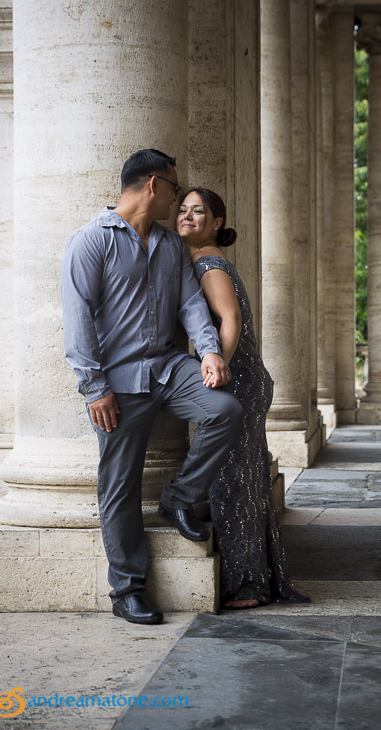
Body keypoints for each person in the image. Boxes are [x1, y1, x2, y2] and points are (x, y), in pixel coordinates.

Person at [61, 150, 244, 625]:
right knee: (118, 485)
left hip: (168, 368)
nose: (179, 198)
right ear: (152, 184)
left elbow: (190, 305)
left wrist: (207, 350)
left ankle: (179, 496)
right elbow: (77, 320)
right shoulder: (90, 241)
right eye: (175, 188)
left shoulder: (168, 244)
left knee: (224, 410)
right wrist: (93, 387)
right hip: (116, 384)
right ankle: (127, 590)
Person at [177, 187, 308, 609]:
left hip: (238, 382)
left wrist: (220, 367)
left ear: (217, 223)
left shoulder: (208, 263)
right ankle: (256, 580)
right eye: (182, 209)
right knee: (244, 483)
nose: (187, 216)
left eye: (199, 211)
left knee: (233, 485)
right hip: (243, 381)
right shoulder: (199, 260)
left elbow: (230, 319)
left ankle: (249, 585)